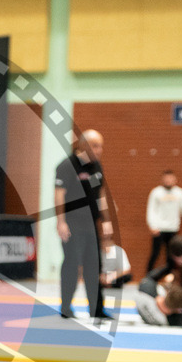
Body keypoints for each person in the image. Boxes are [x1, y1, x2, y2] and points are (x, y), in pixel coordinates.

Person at [54, 129, 114, 320]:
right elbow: (59, 195)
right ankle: (66, 308)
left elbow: (101, 195)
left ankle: (96, 309)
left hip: (90, 225)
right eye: (95, 146)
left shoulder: (97, 166)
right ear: (83, 145)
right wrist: (61, 222)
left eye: (101, 146)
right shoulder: (67, 165)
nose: (99, 150)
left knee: (93, 266)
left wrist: (106, 220)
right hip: (72, 224)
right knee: (72, 265)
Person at [146, 169, 182, 274]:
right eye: (166, 178)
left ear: (175, 180)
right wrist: (152, 225)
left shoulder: (180, 193)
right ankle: (148, 276)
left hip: (173, 229)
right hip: (159, 229)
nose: (168, 180)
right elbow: (151, 210)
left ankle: (172, 277)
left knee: (172, 256)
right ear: (162, 179)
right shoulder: (156, 192)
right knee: (155, 254)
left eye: (170, 178)